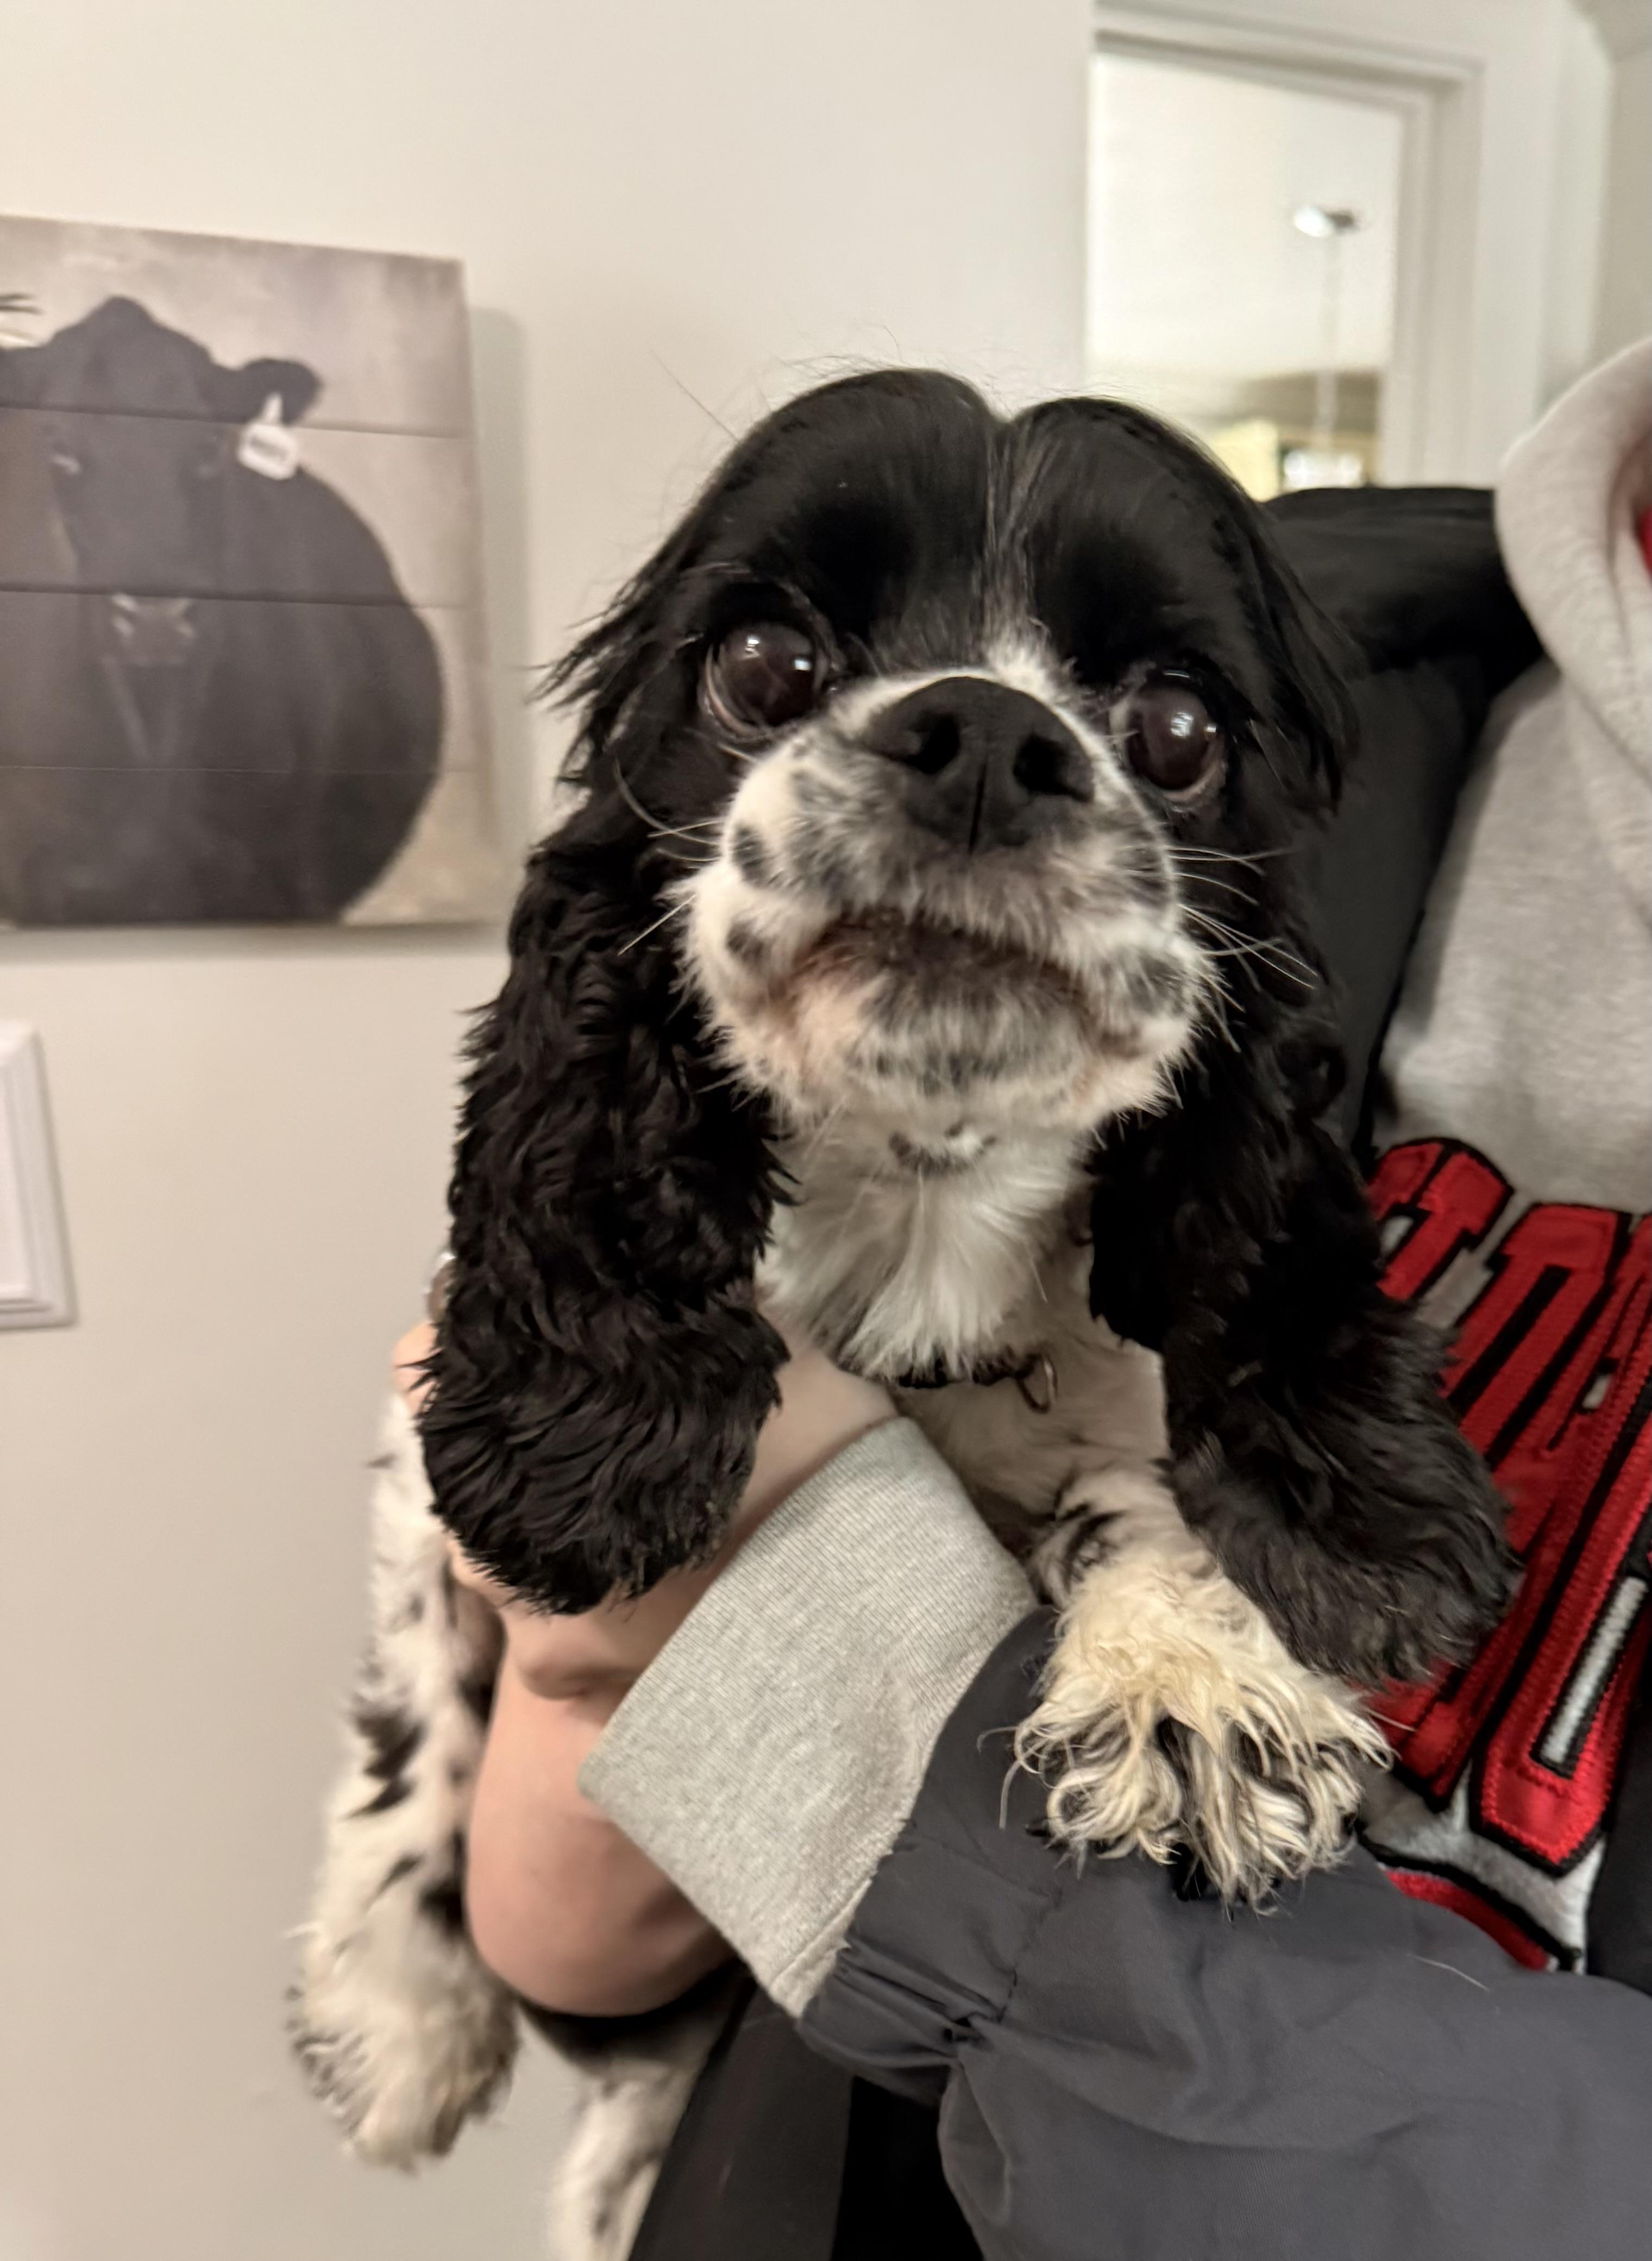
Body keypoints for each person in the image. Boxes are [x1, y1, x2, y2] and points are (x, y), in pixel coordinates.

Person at [397, 339, 1652, 2259]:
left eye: (1158, 738)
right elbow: (591, 1935)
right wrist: (568, 1698)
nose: (984, 748)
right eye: (775, 680)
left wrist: (826, 1639)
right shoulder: (1388, 651)